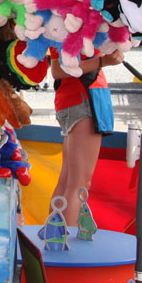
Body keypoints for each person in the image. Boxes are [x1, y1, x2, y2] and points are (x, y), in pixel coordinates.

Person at [48, 47, 125, 227]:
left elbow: (57, 68)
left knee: (68, 180)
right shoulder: (81, 24)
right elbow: (58, 70)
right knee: (79, 184)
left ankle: (54, 236)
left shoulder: (59, 26)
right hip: (84, 100)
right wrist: (103, 62)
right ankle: (66, 243)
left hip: (72, 101)